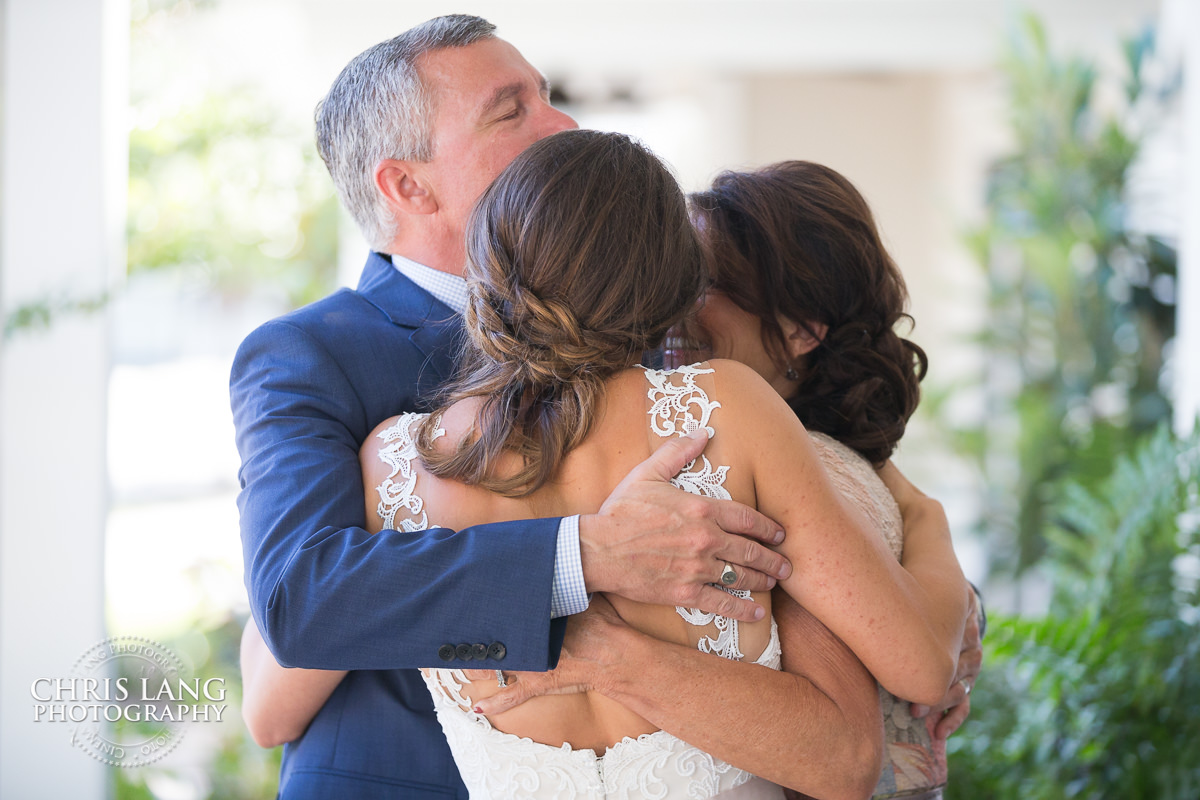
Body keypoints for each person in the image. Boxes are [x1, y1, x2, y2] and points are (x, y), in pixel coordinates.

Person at [243, 129, 973, 798]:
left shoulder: (396, 463)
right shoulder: (726, 412)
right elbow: (907, 679)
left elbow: (269, 697)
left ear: (488, 264)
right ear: (670, 282)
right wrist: (921, 522)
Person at [230, 16, 790, 799]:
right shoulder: (309, 355)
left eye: (548, 97)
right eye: (510, 110)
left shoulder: (646, 314)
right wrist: (585, 552)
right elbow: (301, 597)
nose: (561, 124)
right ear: (407, 185)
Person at [679, 160, 981, 798]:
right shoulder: (845, 464)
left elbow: (923, 668)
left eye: (702, 281)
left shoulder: (802, 470)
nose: (671, 303)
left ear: (801, 330)